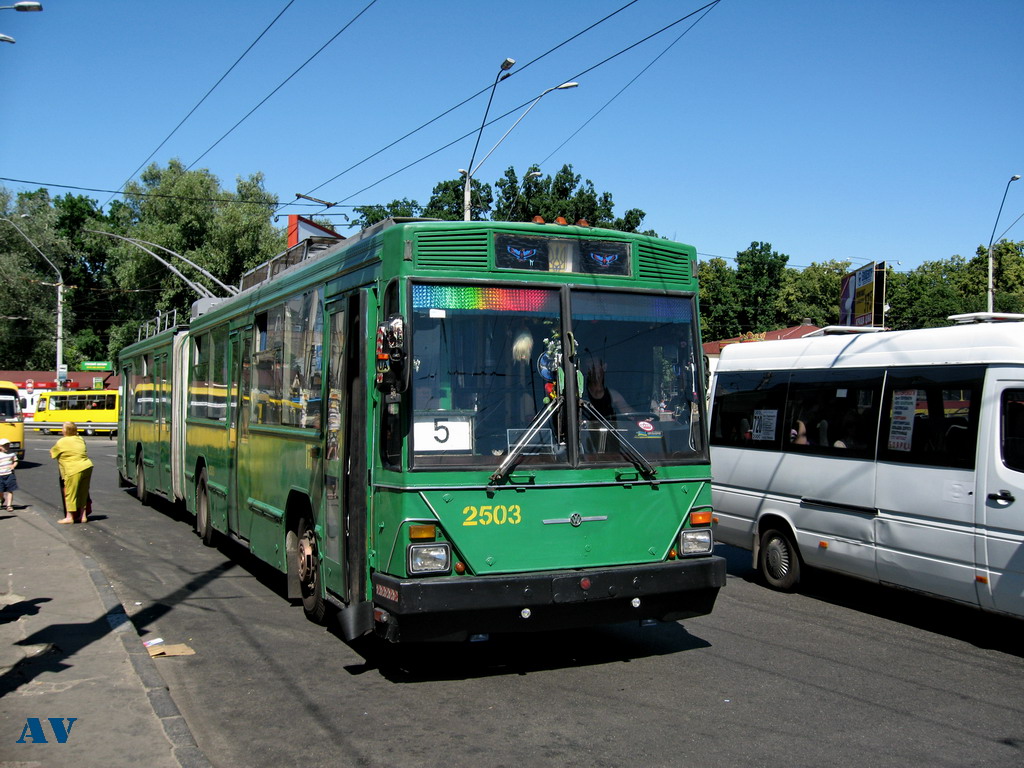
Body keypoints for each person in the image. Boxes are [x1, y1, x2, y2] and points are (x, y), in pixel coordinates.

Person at [50, 422, 94, 524]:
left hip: (73, 469)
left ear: (65, 431)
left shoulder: (61, 442)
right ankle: (83, 516)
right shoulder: (80, 439)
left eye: (62, 428)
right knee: (83, 492)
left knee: (70, 493)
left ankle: (69, 517)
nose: (61, 430)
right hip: (87, 466)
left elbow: (52, 453)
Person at [0, 437, 18, 512]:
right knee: (0, 491)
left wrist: (13, 466)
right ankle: (1, 499)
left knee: (10, 490)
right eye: (5, 446)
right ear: (0, 447)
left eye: (8, 445)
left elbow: (15, 460)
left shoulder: (12, 453)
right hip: (0, 475)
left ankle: (9, 505)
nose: (7, 447)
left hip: (9, 474)